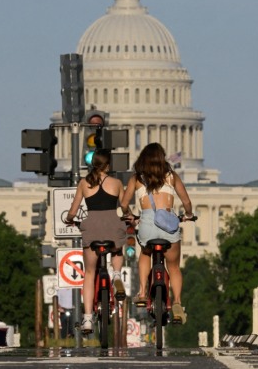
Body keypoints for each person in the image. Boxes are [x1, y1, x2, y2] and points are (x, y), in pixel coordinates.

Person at [120, 142, 194, 324]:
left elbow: (123, 204)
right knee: (174, 267)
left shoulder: (136, 179)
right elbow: (186, 202)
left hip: (146, 225)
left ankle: (143, 291)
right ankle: (177, 302)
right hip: (169, 226)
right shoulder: (171, 177)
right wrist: (189, 215)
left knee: (145, 253)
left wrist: (129, 215)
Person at [65, 149, 126, 333]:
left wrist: (69, 219)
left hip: (91, 227)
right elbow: (124, 207)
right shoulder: (116, 183)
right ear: (108, 165)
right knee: (117, 248)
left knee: (90, 273)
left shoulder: (84, 183)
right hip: (112, 225)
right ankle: (116, 274)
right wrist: (130, 216)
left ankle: (88, 319)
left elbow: (74, 209)